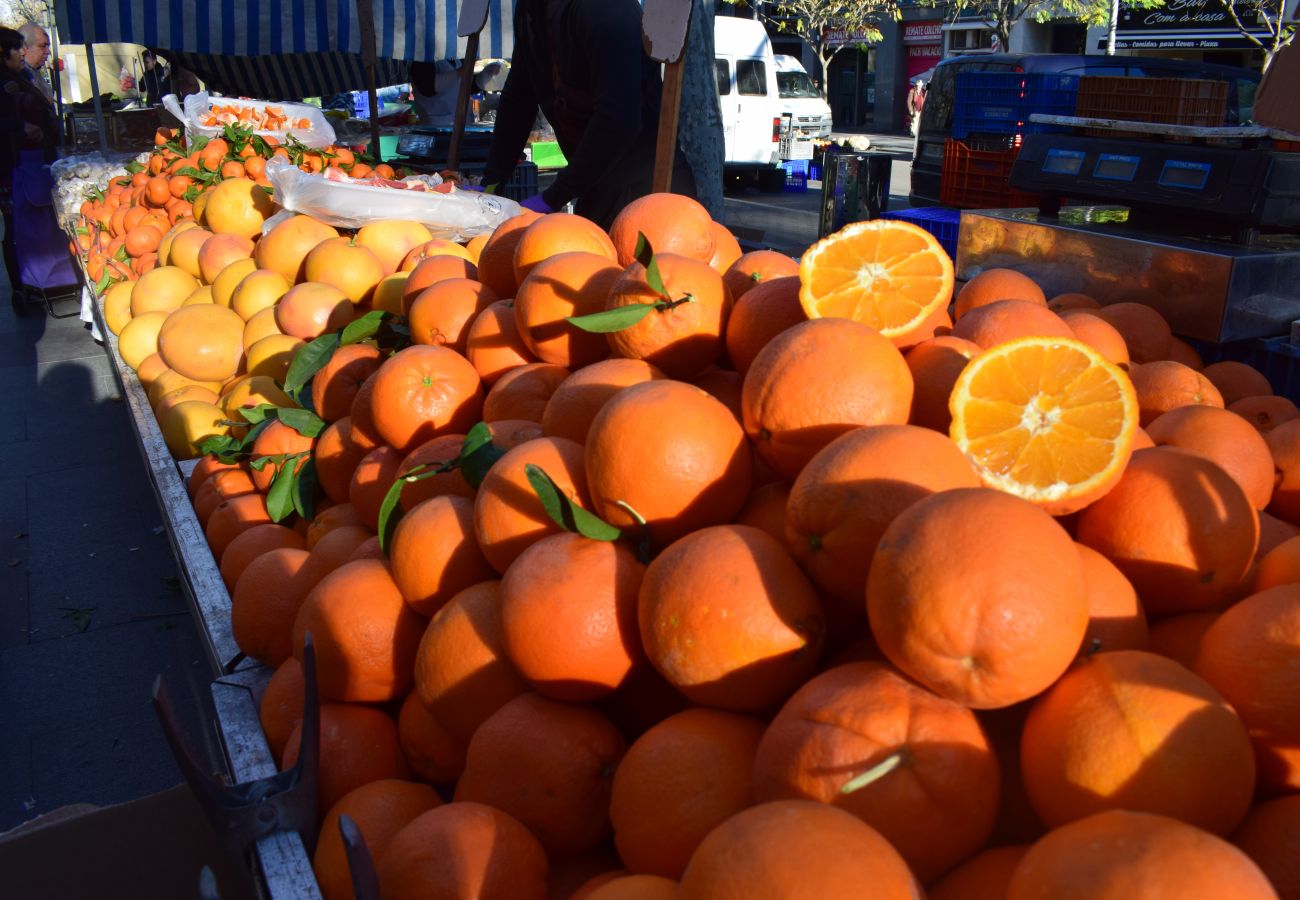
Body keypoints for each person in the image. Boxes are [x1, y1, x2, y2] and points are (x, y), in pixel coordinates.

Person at [480, 0, 698, 228]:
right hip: (597, 192)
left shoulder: (604, 8)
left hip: (652, 195)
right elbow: (519, 99)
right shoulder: (531, 9)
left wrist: (553, 196)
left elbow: (619, 121)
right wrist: (491, 183)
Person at [1, 26, 54, 305]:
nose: (22, 52)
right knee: (15, 225)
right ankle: (21, 287)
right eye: (15, 47)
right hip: (10, 166)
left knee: (29, 219)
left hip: (29, 160)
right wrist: (20, 127)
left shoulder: (19, 77)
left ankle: (39, 278)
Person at [409, 60, 469, 129]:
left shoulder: (456, 59)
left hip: (462, 123)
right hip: (438, 126)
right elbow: (428, 87)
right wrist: (459, 72)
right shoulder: (423, 58)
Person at [17, 22, 52, 106]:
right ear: (24, 47)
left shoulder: (34, 73)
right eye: (43, 46)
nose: (48, 52)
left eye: (48, 46)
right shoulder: (20, 78)